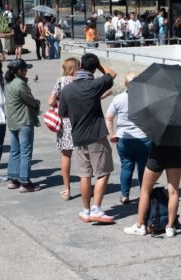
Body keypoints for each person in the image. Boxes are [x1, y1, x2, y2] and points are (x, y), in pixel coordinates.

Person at [59, 53, 117, 223]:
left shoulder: (67, 88)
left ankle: (85, 211)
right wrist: (99, 65)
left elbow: (63, 113)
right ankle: (97, 209)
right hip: (96, 136)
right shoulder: (94, 84)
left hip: (77, 137)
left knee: (85, 175)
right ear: (94, 67)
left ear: (80, 67)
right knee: (103, 172)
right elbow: (112, 74)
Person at [105, 71, 152, 204]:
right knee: (143, 167)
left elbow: (108, 118)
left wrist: (111, 134)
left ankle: (125, 195)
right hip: (143, 138)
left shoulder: (118, 99)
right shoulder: (146, 98)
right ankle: (144, 195)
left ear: (126, 84)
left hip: (124, 138)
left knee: (126, 166)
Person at [124, 142, 181, 237]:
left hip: (157, 153)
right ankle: (170, 227)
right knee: (174, 192)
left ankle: (140, 225)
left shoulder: (157, 127)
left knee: (145, 191)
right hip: (176, 153)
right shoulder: (180, 126)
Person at [5, 59, 41, 193]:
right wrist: (36, 104)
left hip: (13, 120)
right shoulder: (20, 84)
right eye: (25, 69)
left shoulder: (8, 82)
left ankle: (13, 179)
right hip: (23, 121)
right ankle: (25, 182)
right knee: (25, 152)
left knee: (15, 150)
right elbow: (30, 100)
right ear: (19, 71)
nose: (26, 72)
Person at [48, 57, 80, 200]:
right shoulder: (81, 81)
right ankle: (88, 186)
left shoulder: (61, 81)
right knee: (85, 155)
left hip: (65, 122)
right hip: (81, 121)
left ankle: (67, 190)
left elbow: (50, 101)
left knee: (66, 156)